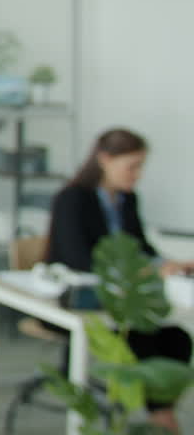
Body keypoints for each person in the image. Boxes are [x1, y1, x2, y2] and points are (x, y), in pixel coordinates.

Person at [46, 127, 193, 432]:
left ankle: (160, 411)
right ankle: (162, 418)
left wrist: (168, 264)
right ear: (104, 159)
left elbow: (140, 247)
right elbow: (79, 260)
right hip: (80, 300)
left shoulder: (127, 200)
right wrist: (143, 271)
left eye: (140, 167)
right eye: (132, 166)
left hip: (123, 300)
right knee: (142, 336)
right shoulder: (72, 199)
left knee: (178, 338)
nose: (137, 175)